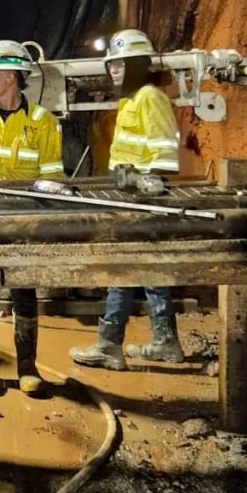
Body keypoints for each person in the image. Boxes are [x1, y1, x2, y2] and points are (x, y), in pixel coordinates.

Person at [69, 29, 186, 370]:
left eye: (121, 64)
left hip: (145, 197)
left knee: (123, 265)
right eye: (111, 65)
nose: (114, 70)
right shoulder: (130, 100)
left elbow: (164, 153)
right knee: (148, 267)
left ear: (139, 65)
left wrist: (143, 178)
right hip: (131, 194)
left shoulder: (150, 98)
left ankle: (109, 345)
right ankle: (165, 341)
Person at [0, 40, 65, 395]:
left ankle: (27, 367)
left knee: (24, 290)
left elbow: (52, 176)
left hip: (23, 220)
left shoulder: (42, 122)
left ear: (9, 78)